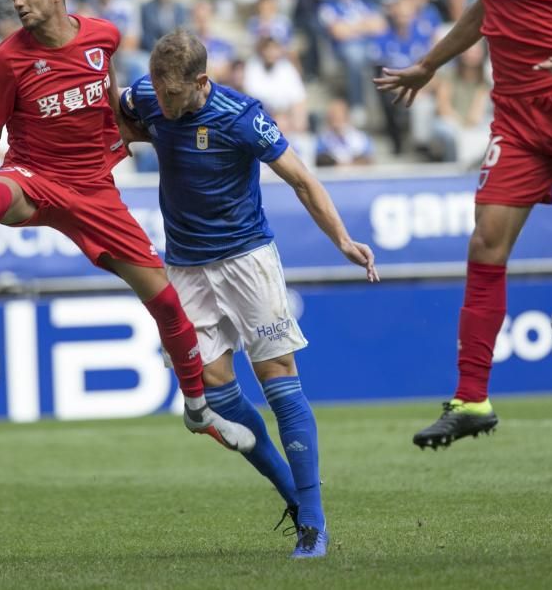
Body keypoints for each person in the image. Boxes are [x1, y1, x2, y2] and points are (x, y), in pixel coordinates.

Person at [0, 0, 255, 453]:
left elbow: (106, 97)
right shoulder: (5, 61)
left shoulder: (102, 36)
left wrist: (122, 136)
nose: (18, 2)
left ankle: (197, 409)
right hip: (34, 176)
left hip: (94, 190)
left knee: (168, 303)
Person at [119, 30, 377, 558]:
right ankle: (297, 499)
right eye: (158, 95)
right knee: (214, 391)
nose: (162, 106)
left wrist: (343, 240)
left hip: (247, 260)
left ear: (202, 82)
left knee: (278, 380)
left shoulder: (242, 117)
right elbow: (120, 118)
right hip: (185, 268)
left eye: (173, 96)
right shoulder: (147, 95)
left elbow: (302, 180)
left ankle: (313, 520)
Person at [374, 0, 552, 449]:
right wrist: (429, 64)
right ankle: (472, 398)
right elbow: (489, 6)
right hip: (519, 115)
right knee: (485, 241)